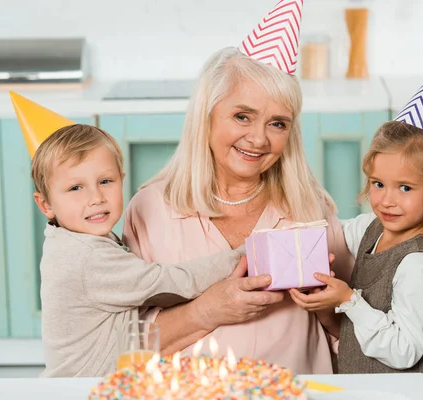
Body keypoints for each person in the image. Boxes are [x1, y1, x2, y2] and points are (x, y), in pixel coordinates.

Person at [122, 0, 352, 374]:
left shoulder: (311, 210)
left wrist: (328, 306)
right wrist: (207, 309)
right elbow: (124, 341)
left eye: (277, 123)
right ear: (206, 115)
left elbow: (356, 335)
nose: (258, 139)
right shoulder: (151, 209)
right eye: (242, 116)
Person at [289, 45, 423, 400]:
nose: (386, 199)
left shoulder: (418, 266)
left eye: (405, 187)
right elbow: (327, 231)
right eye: (379, 184)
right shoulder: (372, 228)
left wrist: (349, 300)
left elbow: (403, 350)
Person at [10, 93, 244, 377]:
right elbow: (169, 283)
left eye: (105, 181)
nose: (96, 197)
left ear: (121, 179)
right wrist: (243, 255)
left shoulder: (67, 238)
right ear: (45, 204)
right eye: (75, 188)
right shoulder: (88, 257)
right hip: (85, 391)